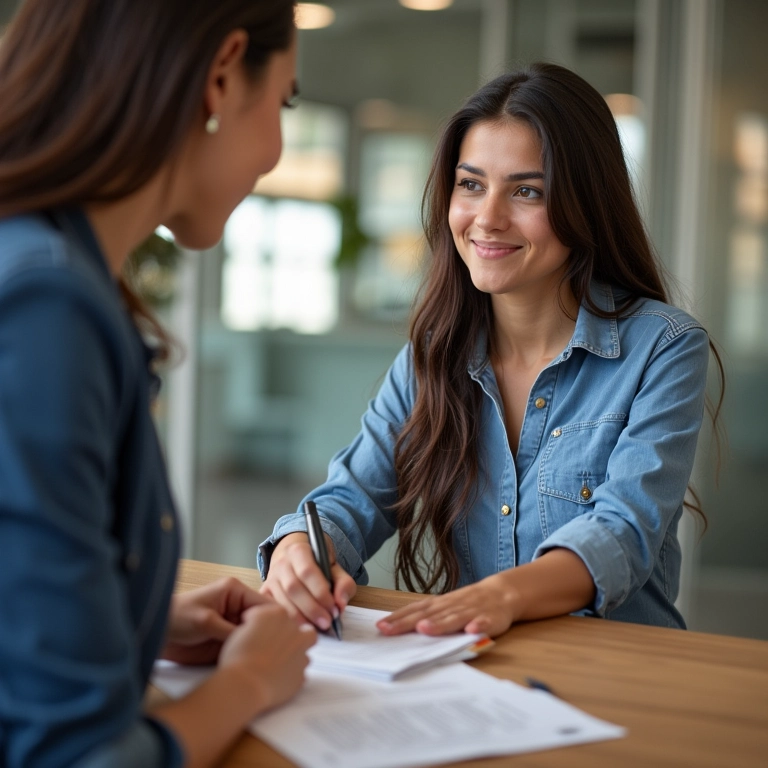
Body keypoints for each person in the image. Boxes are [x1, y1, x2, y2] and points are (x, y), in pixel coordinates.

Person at [260, 62, 724, 640]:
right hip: (475, 673)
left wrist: (501, 594)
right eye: (471, 184)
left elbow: (621, 534)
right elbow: (351, 497)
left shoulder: (663, 347)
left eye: (526, 190)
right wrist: (300, 548)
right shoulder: (434, 353)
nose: (487, 218)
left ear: (585, 202)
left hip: (621, 678)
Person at [0, 1, 316, 767]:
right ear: (219, 77)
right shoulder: (45, 308)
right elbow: (78, 758)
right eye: (284, 101)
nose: (275, 148)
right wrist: (246, 683)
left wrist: (139, 610)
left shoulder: (38, 262)